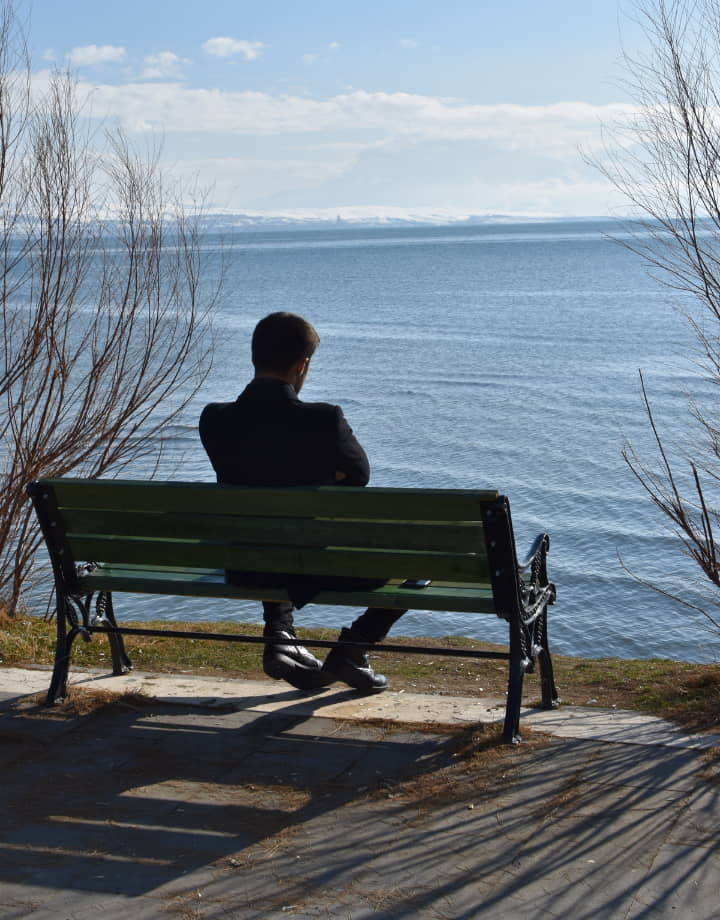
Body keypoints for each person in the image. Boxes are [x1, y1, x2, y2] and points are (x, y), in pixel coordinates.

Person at [199, 311, 405, 693]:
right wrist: (323, 480)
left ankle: (279, 632)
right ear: (302, 366)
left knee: (267, 536)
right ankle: (356, 644)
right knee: (418, 557)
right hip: (315, 567)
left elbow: (249, 477)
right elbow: (359, 475)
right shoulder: (324, 421)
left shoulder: (214, 419)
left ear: (254, 358)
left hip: (245, 565)